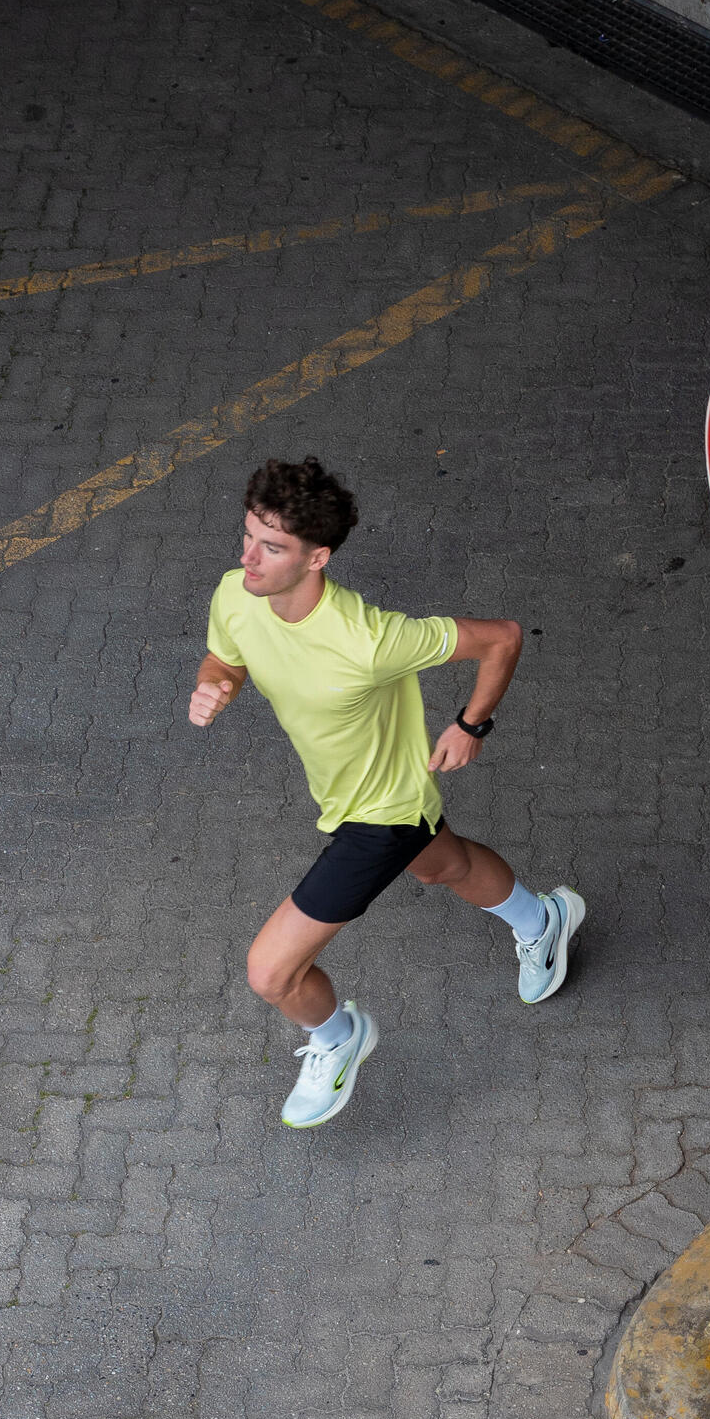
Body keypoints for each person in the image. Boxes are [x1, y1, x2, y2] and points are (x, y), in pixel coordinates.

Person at [189, 455, 583, 1129]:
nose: (250, 557)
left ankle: (339, 1039)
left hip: (383, 814)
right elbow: (228, 656)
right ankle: (541, 920)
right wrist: (216, 684)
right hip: (347, 797)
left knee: (271, 973)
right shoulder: (237, 594)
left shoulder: (368, 641)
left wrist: (469, 724)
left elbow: (503, 639)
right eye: (249, 534)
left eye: (272, 547)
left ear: (318, 559)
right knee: (444, 867)